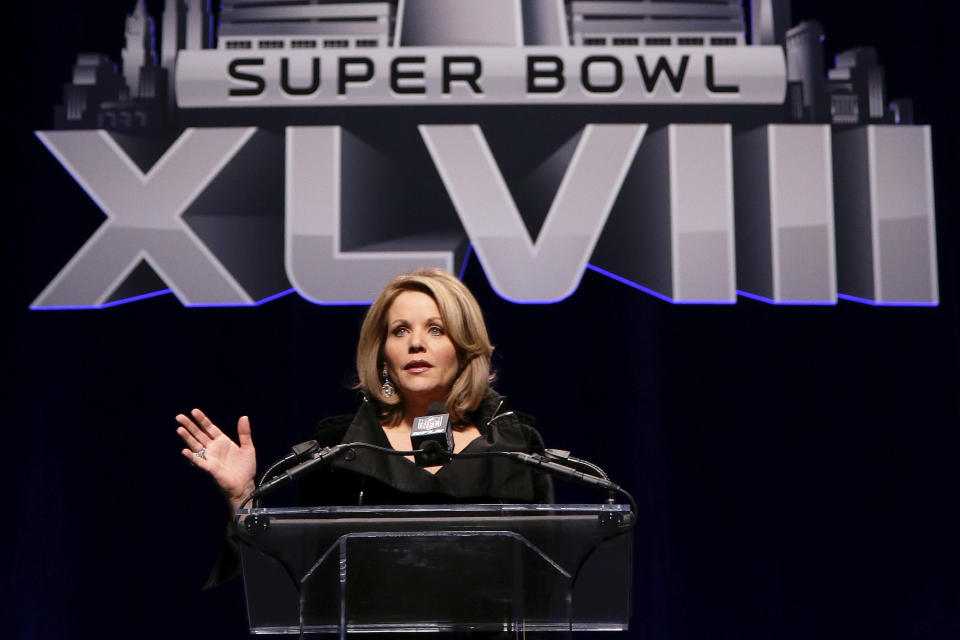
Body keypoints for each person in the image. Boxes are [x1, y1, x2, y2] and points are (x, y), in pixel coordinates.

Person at [175, 268, 553, 519]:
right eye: (400, 330)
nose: (416, 343)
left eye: (436, 329)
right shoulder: (338, 452)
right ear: (383, 356)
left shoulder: (515, 449)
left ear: (466, 347)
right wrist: (244, 497)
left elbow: (547, 579)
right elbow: (296, 580)